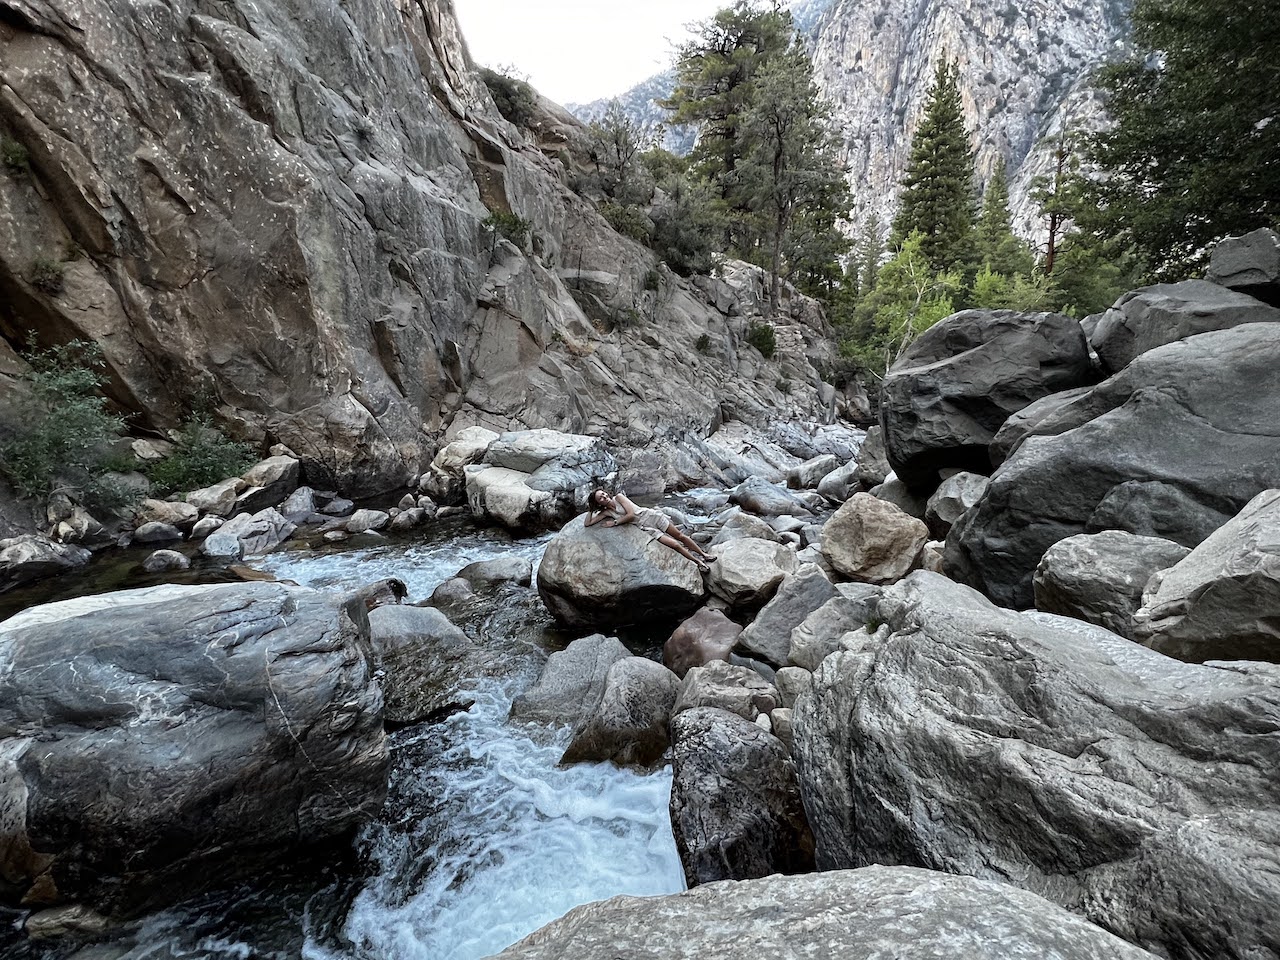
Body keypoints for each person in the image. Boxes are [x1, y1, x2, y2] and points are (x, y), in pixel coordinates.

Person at [584, 488, 717, 572]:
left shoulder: (619, 497)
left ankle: (704, 555)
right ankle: (698, 562)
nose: (604, 497)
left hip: (651, 517)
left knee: (680, 536)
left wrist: (615, 522)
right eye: (600, 498)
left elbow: (631, 515)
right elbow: (588, 523)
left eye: (603, 494)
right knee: (675, 545)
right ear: (598, 503)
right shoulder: (607, 512)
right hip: (645, 528)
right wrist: (591, 509)